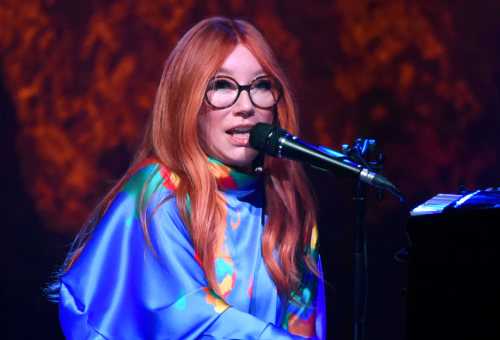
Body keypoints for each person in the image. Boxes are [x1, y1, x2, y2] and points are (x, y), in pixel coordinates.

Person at [54, 17, 326, 339]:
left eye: (261, 86)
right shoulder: (159, 192)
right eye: (222, 85)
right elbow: (186, 321)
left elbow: (305, 324)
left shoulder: (285, 207)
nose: (246, 105)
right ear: (188, 101)